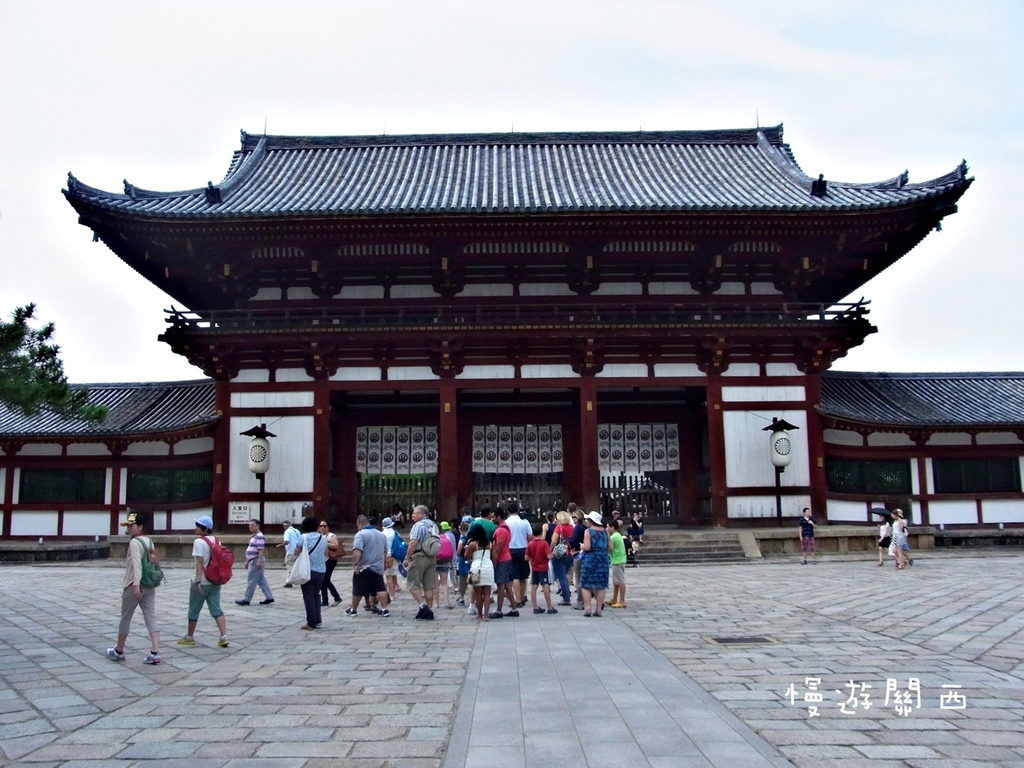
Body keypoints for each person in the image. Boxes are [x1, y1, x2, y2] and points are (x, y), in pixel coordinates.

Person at [106, 510, 162, 664]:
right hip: (149, 584)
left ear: (140, 527)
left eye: (132, 525)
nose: (129, 528)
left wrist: (136, 585)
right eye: (128, 525)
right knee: (150, 616)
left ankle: (119, 650)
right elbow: (154, 560)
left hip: (133, 585)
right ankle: (155, 651)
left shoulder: (134, 542)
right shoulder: (149, 541)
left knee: (125, 618)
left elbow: (137, 565)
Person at [178, 515, 229, 648]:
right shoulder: (217, 541)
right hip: (216, 580)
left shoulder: (199, 542)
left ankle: (190, 636)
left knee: (194, 610)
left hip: (203, 581)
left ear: (204, 529)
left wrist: (198, 581)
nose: (195, 528)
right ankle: (223, 636)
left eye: (198, 526)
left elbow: (199, 562)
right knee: (216, 609)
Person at [345, 515, 391, 617]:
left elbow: (357, 551)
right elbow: (385, 551)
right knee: (380, 588)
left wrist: (355, 564)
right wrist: (384, 563)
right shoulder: (381, 535)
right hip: (378, 567)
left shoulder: (360, 535)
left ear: (359, 523)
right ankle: (384, 609)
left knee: (358, 589)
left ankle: (353, 609)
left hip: (364, 567)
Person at [403, 504, 438, 620]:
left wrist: (407, 557)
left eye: (415, 513)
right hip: (431, 557)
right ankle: (430, 609)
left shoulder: (419, 525)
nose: (413, 515)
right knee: (429, 586)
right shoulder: (433, 525)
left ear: (422, 514)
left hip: (419, 556)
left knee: (413, 584)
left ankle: (423, 607)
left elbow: (413, 543)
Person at [295, 516, 328, 629]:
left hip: (307, 570)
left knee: (308, 596)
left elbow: (296, 552)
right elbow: (326, 553)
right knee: (316, 595)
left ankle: (311, 622)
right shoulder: (323, 538)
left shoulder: (303, 537)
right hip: (321, 570)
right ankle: (318, 618)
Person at [579, 511, 611, 617]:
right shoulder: (606, 532)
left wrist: (581, 546)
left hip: (590, 560)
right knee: (601, 586)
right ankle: (598, 609)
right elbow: (610, 547)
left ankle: (588, 607)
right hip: (603, 560)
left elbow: (587, 547)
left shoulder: (588, 531)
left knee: (586, 585)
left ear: (591, 521)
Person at [236, 518, 274, 606]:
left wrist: (259, 561)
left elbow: (261, 549)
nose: (250, 527)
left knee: (251, 580)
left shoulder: (259, 536)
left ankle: (247, 599)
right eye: (249, 525)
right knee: (261, 580)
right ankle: (269, 597)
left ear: (257, 525)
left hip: (256, 559)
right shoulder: (254, 536)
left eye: (252, 525)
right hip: (253, 559)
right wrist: (247, 561)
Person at [489, 508, 519, 618]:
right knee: (506, 585)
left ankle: (499, 610)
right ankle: (514, 608)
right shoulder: (504, 527)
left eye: (493, 517)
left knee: (501, 585)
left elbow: (498, 548)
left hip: (502, 559)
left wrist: (495, 562)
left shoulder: (501, 530)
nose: (492, 519)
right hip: (506, 558)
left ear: (498, 517)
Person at [464, 521, 495, 621]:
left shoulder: (473, 544)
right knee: (487, 593)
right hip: (488, 567)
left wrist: (467, 548)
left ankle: (479, 615)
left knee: (477, 593)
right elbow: (495, 556)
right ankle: (486, 615)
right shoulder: (490, 544)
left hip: (477, 567)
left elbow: (467, 556)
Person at [504, 501, 532, 608]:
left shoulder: (506, 523)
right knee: (523, 575)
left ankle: (517, 599)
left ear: (508, 511)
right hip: (523, 548)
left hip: (511, 549)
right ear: (518, 510)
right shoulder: (525, 522)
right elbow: (530, 536)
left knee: (514, 575)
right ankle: (523, 595)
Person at [526, 523, 557, 614]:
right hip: (543, 567)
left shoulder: (530, 544)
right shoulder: (544, 544)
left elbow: (526, 557)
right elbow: (548, 556)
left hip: (534, 567)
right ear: (541, 532)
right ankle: (549, 607)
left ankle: (535, 606)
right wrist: (552, 554)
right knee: (545, 585)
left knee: (534, 586)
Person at [548, 510, 574, 606]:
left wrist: (549, 551)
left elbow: (554, 541)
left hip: (559, 554)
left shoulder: (559, 528)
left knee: (561, 576)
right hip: (569, 553)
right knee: (566, 574)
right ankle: (567, 593)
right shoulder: (571, 527)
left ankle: (566, 598)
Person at [319, 519, 344, 607]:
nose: (322, 527)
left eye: (324, 526)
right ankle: (325, 600)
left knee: (326, 579)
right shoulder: (319, 536)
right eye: (321, 526)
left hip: (330, 560)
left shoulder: (331, 536)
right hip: (322, 560)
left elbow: (335, 545)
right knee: (322, 580)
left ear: (328, 527)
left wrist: (326, 543)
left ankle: (337, 597)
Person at [436, 521, 458, 609]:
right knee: (445, 583)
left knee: (435, 583)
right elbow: (452, 550)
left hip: (434, 561)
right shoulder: (446, 537)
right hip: (445, 561)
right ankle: (446, 601)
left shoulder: (433, 538)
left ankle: (436, 603)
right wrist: (452, 562)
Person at [608, 518, 628, 608]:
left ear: (612, 527)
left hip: (617, 560)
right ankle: (615, 598)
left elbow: (610, 549)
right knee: (616, 581)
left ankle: (622, 600)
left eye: (608, 526)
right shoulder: (618, 535)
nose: (607, 528)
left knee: (620, 581)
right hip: (619, 559)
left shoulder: (613, 537)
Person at [277, 521, 302, 587]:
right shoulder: (297, 531)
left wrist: (281, 545)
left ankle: (289, 581)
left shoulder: (287, 532)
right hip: (298, 550)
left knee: (289, 566)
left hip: (291, 551)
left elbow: (287, 541)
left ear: (285, 526)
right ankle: (298, 579)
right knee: (296, 566)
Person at [381, 516, 401, 599]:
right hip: (395, 555)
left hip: (387, 556)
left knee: (388, 576)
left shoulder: (382, 534)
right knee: (393, 574)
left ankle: (391, 594)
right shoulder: (395, 532)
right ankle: (394, 592)